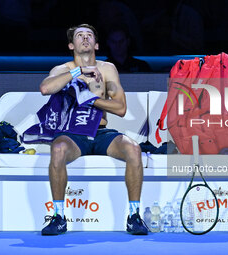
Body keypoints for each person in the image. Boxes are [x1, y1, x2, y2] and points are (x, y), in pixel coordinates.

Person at [40, 24, 148, 235]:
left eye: (89, 35)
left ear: (97, 45)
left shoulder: (108, 69)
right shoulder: (62, 70)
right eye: (79, 36)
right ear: (71, 44)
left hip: (101, 133)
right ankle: (59, 217)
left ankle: (134, 216)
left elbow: (121, 108)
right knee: (58, 148)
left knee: (134, 148)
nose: (85, 38)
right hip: (72, 135)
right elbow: (45, 88)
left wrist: (89, 99)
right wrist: (78, 71)